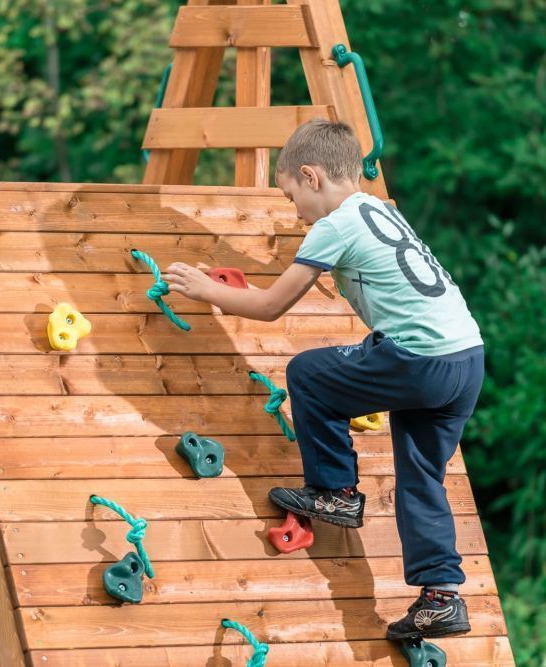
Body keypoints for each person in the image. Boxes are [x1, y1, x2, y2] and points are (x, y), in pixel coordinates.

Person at [163, 119, 483, 640]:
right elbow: (294, 288)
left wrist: (204, 289)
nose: (295, 212)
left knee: (308, 373)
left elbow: (271, 307)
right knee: (422, 477)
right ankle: (441, 598)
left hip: (419, 359)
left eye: (292, 196)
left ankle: (336, 491)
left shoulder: (333, 226)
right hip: (465, 358)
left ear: (311, 176)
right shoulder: (379, 210)